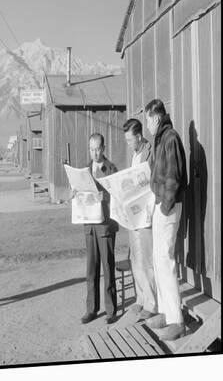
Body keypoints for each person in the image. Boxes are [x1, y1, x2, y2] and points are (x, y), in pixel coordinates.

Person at [144, 99, 187, 341]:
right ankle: (164, 311)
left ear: (156, 118)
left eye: (148, 120)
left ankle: (176, 321)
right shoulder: (161, 138)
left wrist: (165, 206)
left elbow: (174, 177)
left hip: (168, 208)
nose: (147, 125)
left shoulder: (170, 138)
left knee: (166, 260)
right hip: (162, 205)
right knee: (158, 260)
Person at [79, 133, 118, 325]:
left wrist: (107, 197)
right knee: (91, 269)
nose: (94, 153)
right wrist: (74, 193)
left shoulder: (111, 169)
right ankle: (91, 309)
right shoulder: (84, 170)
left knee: (108, 267)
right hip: (89, 225)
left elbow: (118, 196)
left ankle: (111, 310)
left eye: (97, 149)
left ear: (103, 148)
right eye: (91, 149)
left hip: (105, 226)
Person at [123, 118, 157, 321]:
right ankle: (141, 298)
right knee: (135, 258)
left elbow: (151, 180)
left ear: (138, 136)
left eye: (129, 140)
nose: (128, 144)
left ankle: (152, 302)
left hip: (145, 212)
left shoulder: (149, 151)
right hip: (133, 213)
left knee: (146, 259)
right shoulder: (134, 154)